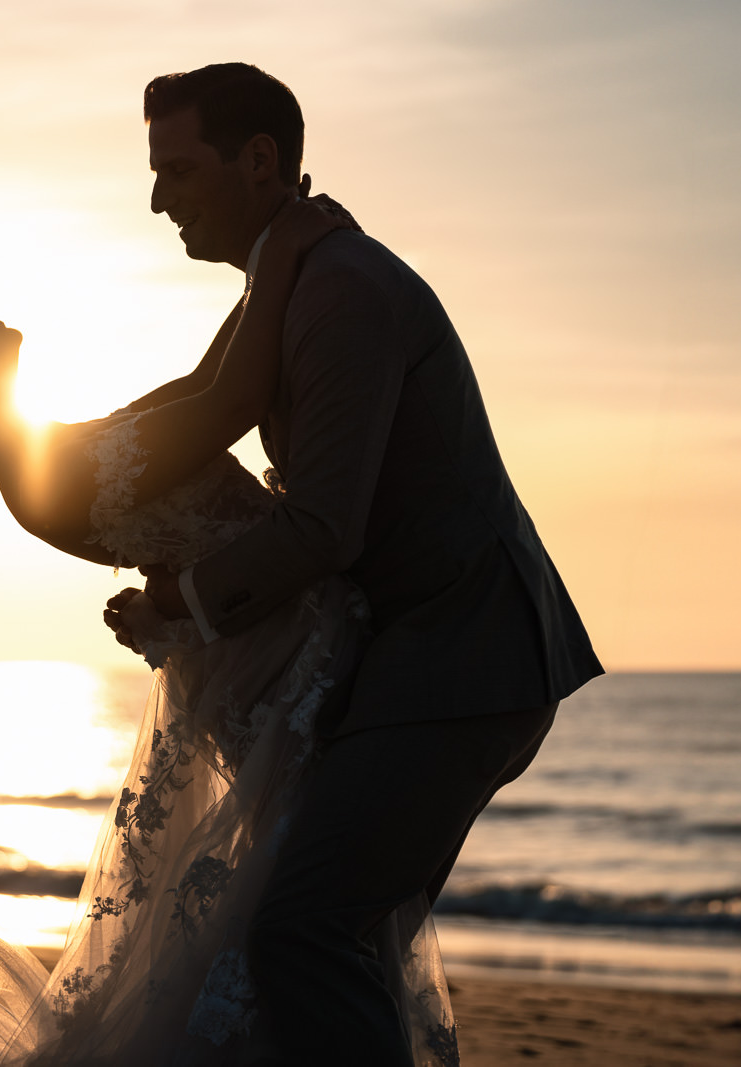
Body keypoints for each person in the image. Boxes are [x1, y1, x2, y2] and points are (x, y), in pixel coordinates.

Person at [0, 199, 462, 1066]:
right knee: (302, 941)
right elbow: (233, 395)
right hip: (288, 687)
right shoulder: (53, 476)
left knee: (313, 937)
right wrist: (287, 252)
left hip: (291, 669)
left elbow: (201, 384)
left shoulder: (58, 447)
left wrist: (269, 256)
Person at [100, 63, 604, 1065]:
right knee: (317, 932)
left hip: (469, 656)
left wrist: (181, 603)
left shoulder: (340, 291)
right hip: (427, 658)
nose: (158, 199)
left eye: (179, 170)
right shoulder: (285, 283)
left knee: (301, 926)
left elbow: (323, 526)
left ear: (259, 161)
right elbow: (196, 406)